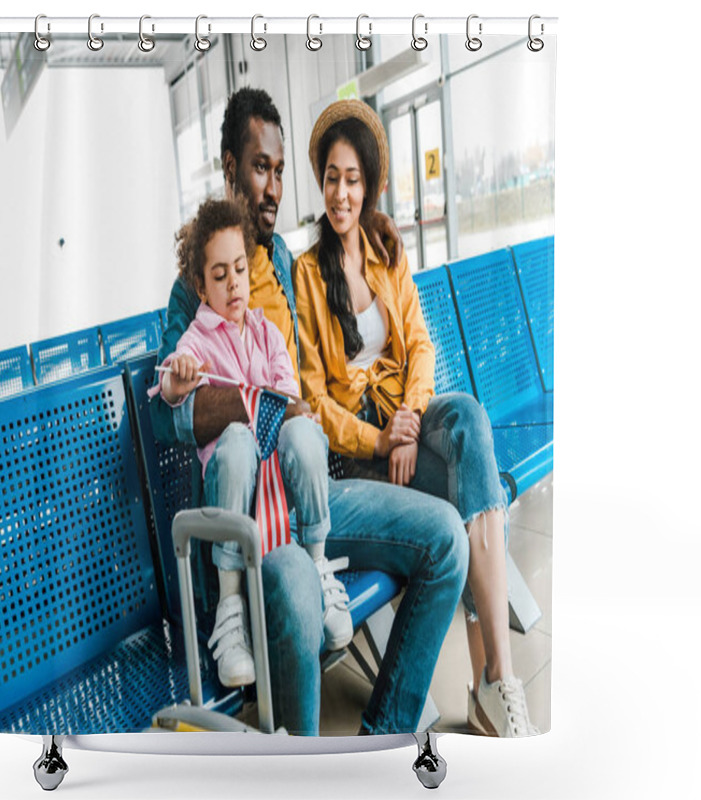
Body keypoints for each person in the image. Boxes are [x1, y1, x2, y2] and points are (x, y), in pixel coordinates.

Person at [150, 87, 469, 736]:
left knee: (448, 540)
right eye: (259, 166)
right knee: (296, 574)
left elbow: (310, 388)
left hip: (311, 491)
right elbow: (165, 417)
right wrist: (245, 403)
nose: (272, 186)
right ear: (229, 167)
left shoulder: (285, 265)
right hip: (254, 526)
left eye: (279, 169)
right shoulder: (196, 284)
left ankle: (383, 738)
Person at [294, 98, 538, 738]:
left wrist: (406, 415)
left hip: (404, 417)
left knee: (467, 421)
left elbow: (421, 346)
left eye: (352, 180)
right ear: (321, 181)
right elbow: (315, 400)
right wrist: (381, 436)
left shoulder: (385, 249)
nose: (341, 193)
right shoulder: (307, 275)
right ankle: (492, 686)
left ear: (369, 183)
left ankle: (497, 678)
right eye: (331, 178)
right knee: (473, 495)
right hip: (356, 450)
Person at [149, 197, 352, 689]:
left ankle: (319, 567)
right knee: (237, 438)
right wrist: (180, 381)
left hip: (279, 499)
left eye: (239, 268)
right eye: (219, 275)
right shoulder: (197, 340)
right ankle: (230, 605)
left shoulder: (266, 332)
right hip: (236, 500)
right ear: (201, 286)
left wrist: (281, 407)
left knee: (303, 431)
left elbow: (290, 401)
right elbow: (170, 391)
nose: (234, 282)